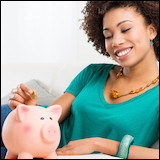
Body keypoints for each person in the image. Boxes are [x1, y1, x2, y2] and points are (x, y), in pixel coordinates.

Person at [1, 1, 159, 159]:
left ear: (151, 30)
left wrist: (98, 144)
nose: (116, 42)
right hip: (32, 137)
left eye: (125, 29)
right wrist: (33, 111)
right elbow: (52, 115)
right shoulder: (93, 72)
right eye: (108, 35)